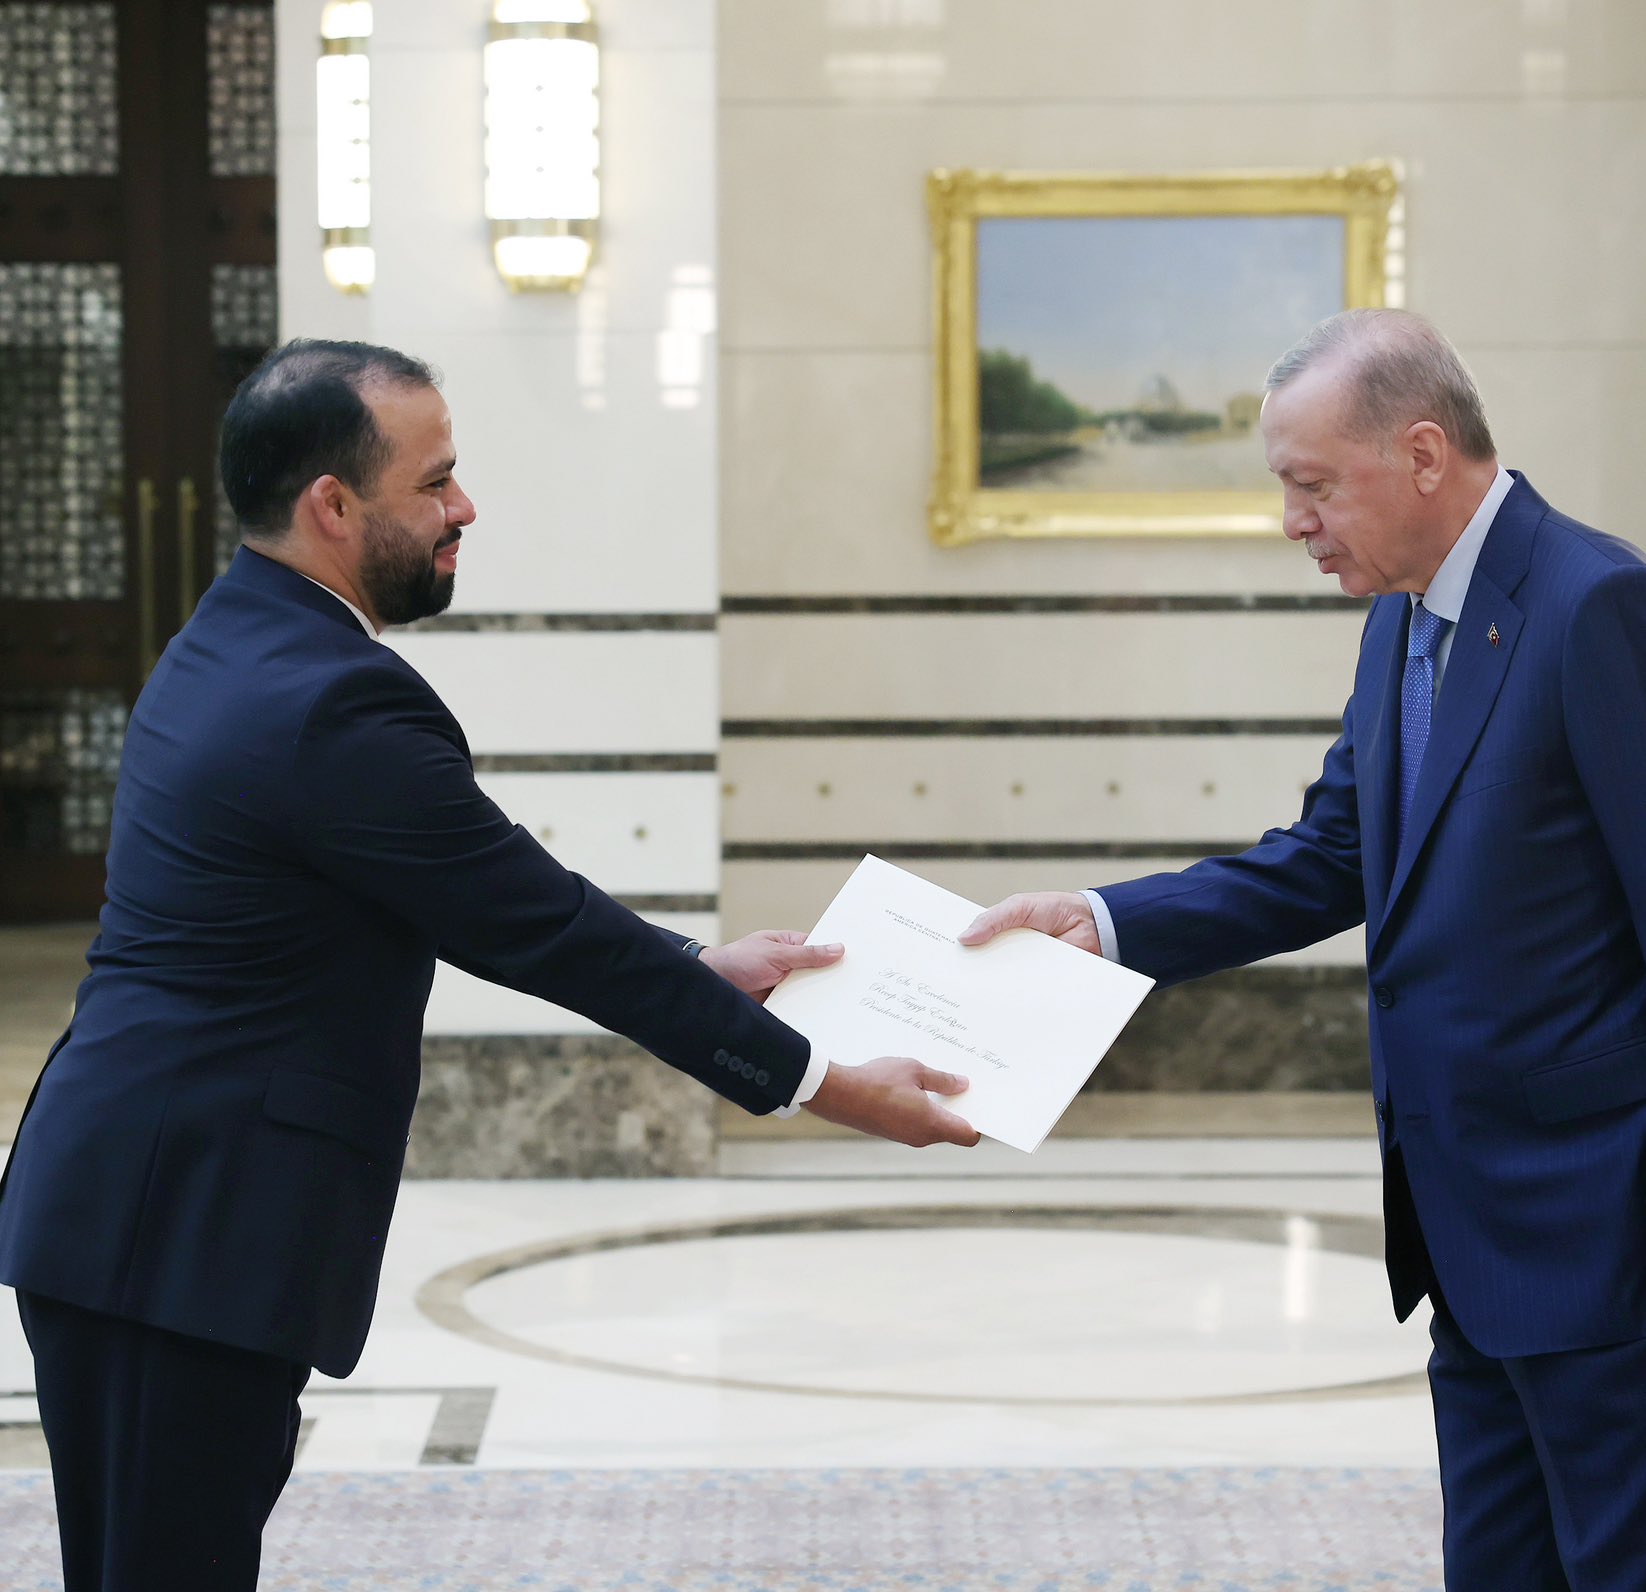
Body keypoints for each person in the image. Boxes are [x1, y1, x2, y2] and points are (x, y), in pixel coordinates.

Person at [0, 339, 977, 1592]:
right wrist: (826, 1083)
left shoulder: (234, 636)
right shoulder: (331, 700)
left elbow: (503, 900)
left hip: (138, 1205)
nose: (464, 507)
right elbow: (540, 926)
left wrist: (698, 961)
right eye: (434, 481)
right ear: (332, 504)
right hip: (182, 1226)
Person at [962, 308, 1646, 1590]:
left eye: (1311, 484)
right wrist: (1099, 921)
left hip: (1627, 1244)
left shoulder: (1603, 610)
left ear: (1422, 453)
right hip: (1470, 1248)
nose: (1292, 522)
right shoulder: (1401, 620)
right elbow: (1332, 853)